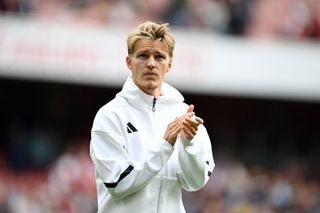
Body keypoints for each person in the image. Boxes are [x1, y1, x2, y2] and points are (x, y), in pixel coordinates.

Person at [90, 20, 215, 213]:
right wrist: (165, 145)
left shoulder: (184, 115)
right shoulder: (110, 116)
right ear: (129, 62)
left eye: (159, 57)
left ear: (169, 65)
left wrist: (189, 145)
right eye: (143, 55)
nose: (151, 64)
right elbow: (118, 184)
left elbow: (195, 183)